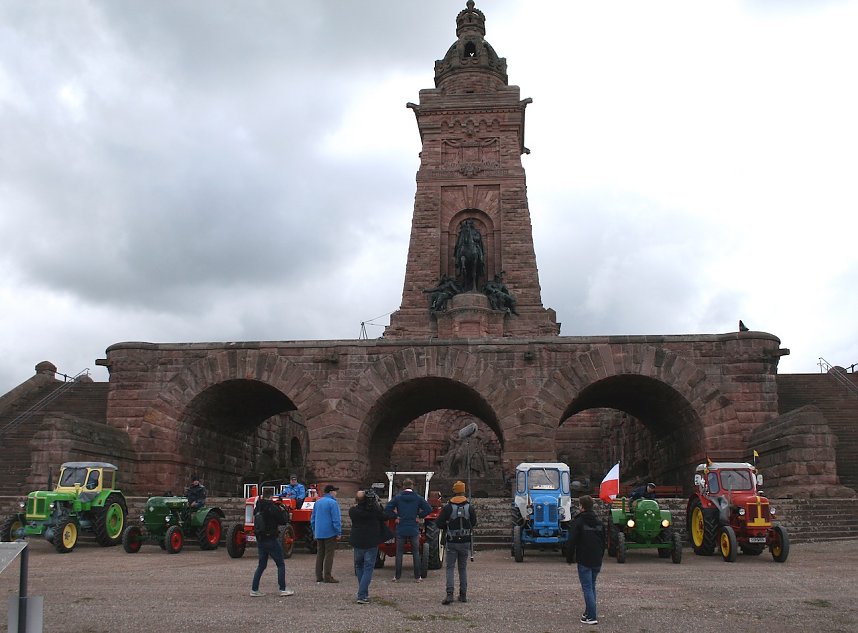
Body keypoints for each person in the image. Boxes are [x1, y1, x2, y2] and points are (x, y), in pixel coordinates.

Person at [435, 480, 477, 605]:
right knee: (462, 568)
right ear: (464, 491)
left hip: (452, 541)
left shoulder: (448, 507)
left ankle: (449, 594)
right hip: (465, 541)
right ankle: (463, 594)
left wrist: (447, 525)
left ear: (454, 491)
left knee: (450, 568)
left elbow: (438, 523)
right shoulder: (469, 507)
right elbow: (473, 522)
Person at [385, 478, 432, 582]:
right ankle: (417, 577)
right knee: (415, 552)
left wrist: (395, 516)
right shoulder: (418, 498)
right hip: (413, 528)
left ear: (403, 486)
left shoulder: (397, 498)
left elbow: (387, 509)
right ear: (412, 486)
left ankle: (397, 577)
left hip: (401, 527)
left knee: (399, 552)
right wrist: (419, 516)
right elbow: (429, 509)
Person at [568, 495, 605, 625]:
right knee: (591, 586)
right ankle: (588, 612)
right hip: (596, 559)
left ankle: (592, 616)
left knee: (587, 587)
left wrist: (569, 556)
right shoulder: (598, 521)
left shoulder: (578, 521)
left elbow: (572, 540)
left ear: (582, 506)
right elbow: (603, 541)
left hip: (584, 558)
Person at [250, 492, 294, 597]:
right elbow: (283, 521)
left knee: (261, 565)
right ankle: (282, 589)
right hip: (270, 538)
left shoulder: (258, 507)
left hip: (260, 538)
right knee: (280, 564)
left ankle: (254, 589)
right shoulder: (272, 507)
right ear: (270, 497)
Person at [348, 488, 386, 604]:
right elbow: (384, 516)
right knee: (368, 567)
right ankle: (362, 594)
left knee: (359, 566)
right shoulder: (374, 511)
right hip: (370, 541)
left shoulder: (353, 511)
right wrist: (377, 504)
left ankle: (362, 591)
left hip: (358, 541)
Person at [310, 484, 342, 583]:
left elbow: (313, 519)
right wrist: (338, 532)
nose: (336, 493)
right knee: (329, 554)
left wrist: (315, 531)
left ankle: (318, 576)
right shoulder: (333, 503)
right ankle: (327, 576)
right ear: (331, 492)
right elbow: (336, 519)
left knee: (320, 554)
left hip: (319, 532)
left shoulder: (318, 502)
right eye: (335, 491)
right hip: (330, 532)